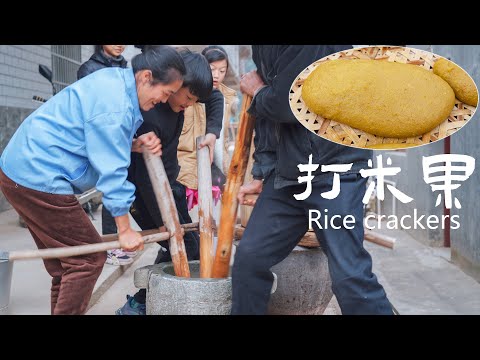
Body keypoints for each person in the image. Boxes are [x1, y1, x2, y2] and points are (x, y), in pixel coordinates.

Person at [0, 46, 186, 315]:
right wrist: (124, 229)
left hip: (22, 169)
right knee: (88, 259)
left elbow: (98, 135)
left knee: (67, 265)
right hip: (37, 175)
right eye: (165, 93)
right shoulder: (116, 106)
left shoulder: (118, 83)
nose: (162, 100)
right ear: (146, 77)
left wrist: (131, 144)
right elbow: (112, 171)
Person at [233, 45, 394, 315]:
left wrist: (259, 92)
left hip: (338, 168)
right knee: (250, 259)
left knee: (348, 275)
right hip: (290, 174)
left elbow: (286, 104)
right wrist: (263, 171)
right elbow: (266, 117)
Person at [116, 47, 215, 315]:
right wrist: (164, 218)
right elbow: (145, 177)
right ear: (178, 83)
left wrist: (176, 195)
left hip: (167, 188)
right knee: (181, 245)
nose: (189, 104)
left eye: (195, 100)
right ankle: (141, 303)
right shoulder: (153, 112)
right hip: (141, 193)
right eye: (188, 97)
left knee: (188, 244)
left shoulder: (176, 105)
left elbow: (168, 159)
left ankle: (154, 300)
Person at [77, 44, 134, 266]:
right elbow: (87, 105)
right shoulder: (88, 68)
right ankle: (108, 246)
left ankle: (116, 243)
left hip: (120, 136)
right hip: (99, 135)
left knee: (115, 187)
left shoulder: (126, 68)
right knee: (109, 185)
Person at [201, 45, 238, 185]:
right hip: (196, 157)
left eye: (222, 71)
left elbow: (224, 138)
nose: (216, 75)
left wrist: (227, 167)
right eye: (212, 69)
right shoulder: (192, 93)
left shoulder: (228, 97)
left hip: (218, 159)